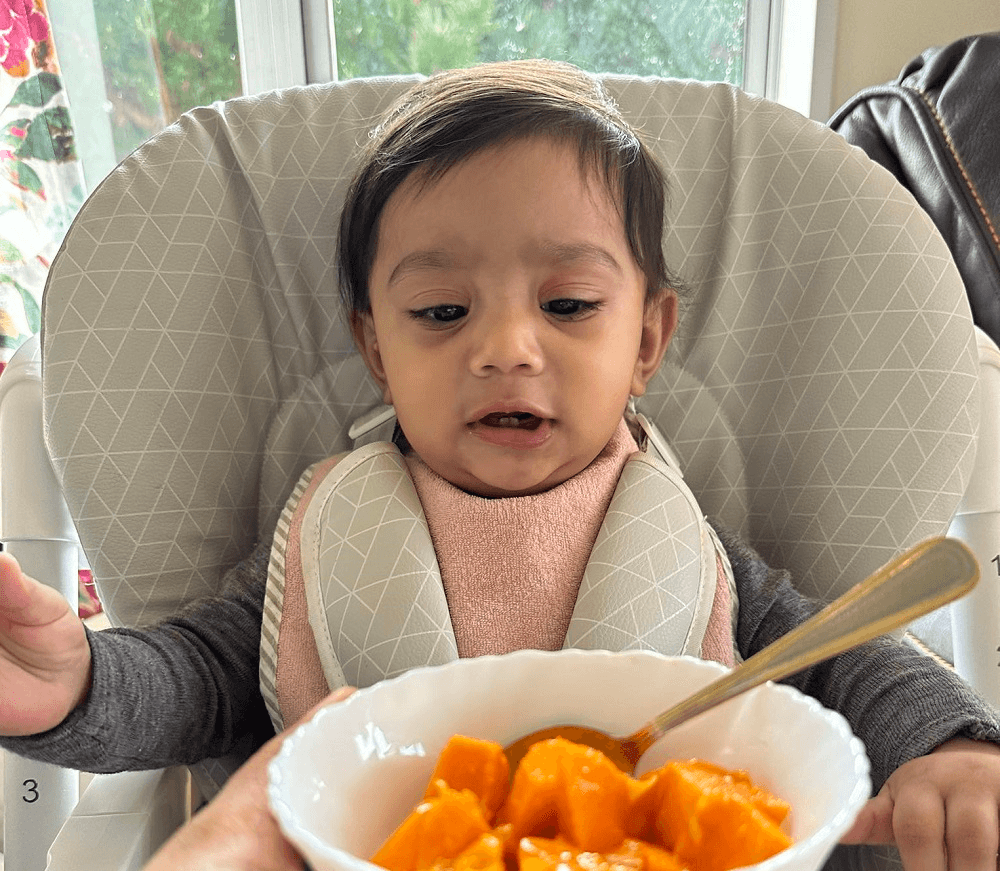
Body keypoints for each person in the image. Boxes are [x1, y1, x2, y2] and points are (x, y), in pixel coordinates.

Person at [2, 59, 1000, 871]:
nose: (508, 347)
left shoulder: (685, 544)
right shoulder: (323, 534)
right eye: (442, 312)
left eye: (568, 306)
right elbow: (193, 681)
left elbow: (842, 657)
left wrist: (947, 746)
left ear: (648, 341)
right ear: (376, 348)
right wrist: (76, 686)